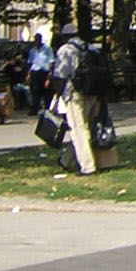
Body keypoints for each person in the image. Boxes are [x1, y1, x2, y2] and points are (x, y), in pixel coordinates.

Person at [51, 23, 100, 174]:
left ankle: (87, 167)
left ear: (65, 37)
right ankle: (66, 160)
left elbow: (60, 76)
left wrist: (56, 97)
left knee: (78, 130)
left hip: (74, 94)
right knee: (85, 128)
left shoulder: (65, 50)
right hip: (93, 93)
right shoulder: (91, 48)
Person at [26, 34, 54, 115]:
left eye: (38, 40)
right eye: (35, 40)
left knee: (46, 92)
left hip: (44, 72)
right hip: (35, 72)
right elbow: (30, 63)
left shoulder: (47, 49)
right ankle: (34, 109)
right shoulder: (32, 50)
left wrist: (49, 77)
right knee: (34, 91)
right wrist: (28, 74)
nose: (36, 42)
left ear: (41, 40)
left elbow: (51, 62)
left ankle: (47, 110)